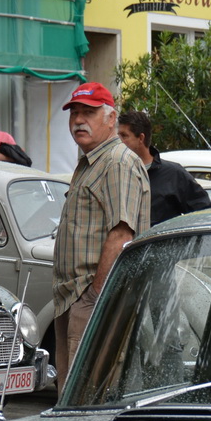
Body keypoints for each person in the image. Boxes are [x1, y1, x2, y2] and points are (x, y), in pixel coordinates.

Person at [51, 82, 150, 376]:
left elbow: (121, 236)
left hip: (93, 299)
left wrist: (96, 297)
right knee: (72, 391)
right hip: (75, 297)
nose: (79, 120)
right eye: (74, 113)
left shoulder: (117, 162)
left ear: (111, 118)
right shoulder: (91, 161)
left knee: (88, 392)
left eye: (89, 113)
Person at [118, 110, 210, 225]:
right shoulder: (115, 173)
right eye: (117, 136)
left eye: (124, 136)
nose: (119, 141)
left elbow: (203, 212)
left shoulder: (173, 174)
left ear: (141, 138)